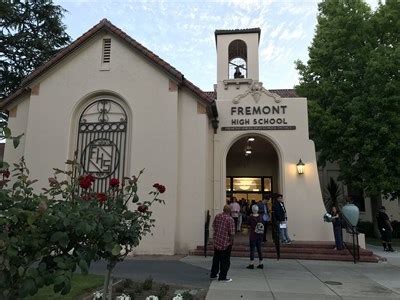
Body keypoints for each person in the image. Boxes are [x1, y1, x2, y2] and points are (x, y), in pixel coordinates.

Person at [210, 205, 235, 282]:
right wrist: (231, 242)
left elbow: (213, 226)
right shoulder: (230, 219)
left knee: (216, 259)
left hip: (217, 241)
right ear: (229, 211)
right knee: (225, 261)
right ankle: (222, 277)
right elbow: (232, 233)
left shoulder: (217, 216)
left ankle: (213, 274)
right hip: (225, 243)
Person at [246, 205, 264, 269]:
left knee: (252, 249)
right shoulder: (261, 217)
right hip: (259, 235)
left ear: (252, 210)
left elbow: (248, 224)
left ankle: (251, 263)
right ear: (258, 210)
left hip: (253, 235)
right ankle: (261, 263)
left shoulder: (250, 217)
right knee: (259, 249)